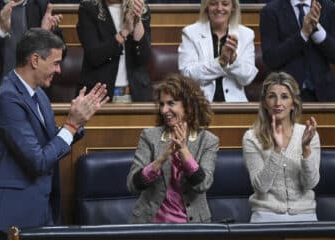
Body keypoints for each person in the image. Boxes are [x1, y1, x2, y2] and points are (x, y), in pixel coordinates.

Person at [0, 28, 109, 240]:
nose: (59, 70)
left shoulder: (39, 95)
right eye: (55, 63)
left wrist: (76, 124)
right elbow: (37, 160)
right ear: (34, 60)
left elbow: (49, 142)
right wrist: (70, 125)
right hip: (11, 218)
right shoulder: (7, 99)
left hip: (41, 211)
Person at [127, 73, 219, 223]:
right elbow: (132, 184)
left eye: (171, 103)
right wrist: (161, 159)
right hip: (151, 224)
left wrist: (183, 151)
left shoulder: (208, 141)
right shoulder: (149, 136)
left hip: (193, 227)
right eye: (162, 104)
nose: (164, 110)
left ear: (188, 106)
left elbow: (203, 184)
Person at [243, 72, 320, 223]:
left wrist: (305, 149)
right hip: (266, 215)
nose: (278, 103)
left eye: (284, 96)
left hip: (304, 215)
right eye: (272, 96)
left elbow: (310, 183)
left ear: (293, 103)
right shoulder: (251, 137)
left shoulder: (309, 135)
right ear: (265, 103)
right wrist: (277, 151)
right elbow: (261, 187)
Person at [0, 0, 63, 102]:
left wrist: (44, 35)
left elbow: (61, 55)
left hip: (33, 97)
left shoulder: (41, 5)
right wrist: (0, 31)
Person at [178, 0, 258, 102]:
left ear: (232, 7)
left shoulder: (246, 34)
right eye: (213, 3)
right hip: (199, 104)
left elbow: (247, 78)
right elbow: (187, 75)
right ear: (206, 7)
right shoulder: (190, 33)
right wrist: (220, 62)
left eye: (225, 4)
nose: (219, 8)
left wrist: (233, 61)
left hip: (235, 105)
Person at [76, 0, 153, 103]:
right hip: (99, 96)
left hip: (134, 95)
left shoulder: (140, 8)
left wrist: (137, 22)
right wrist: (124, 32)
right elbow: (94, 56)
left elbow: (144, 58)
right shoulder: (89, 8)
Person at [260, 0, 335, 102]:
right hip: (286, 97)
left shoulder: (329, 7)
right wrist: (303, 34)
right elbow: (270, 59)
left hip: (324, 95)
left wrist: (317, 31)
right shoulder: (270, 11)